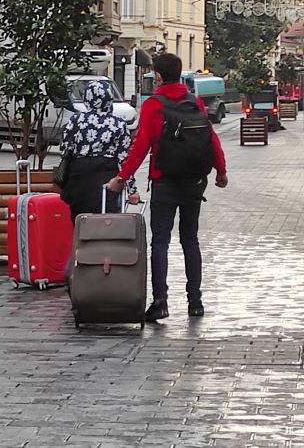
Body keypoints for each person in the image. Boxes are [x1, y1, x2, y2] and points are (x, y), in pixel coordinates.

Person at [107, 53, 228, 321]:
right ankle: (195, 302)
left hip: (164, 182)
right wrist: (221, 171)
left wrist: (121, 177)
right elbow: (211, 137)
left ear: (158, 76)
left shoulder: (154, 105)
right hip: (194, 183)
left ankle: (160, 302)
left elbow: (141, 146)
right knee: (190, 240)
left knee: (160, 241)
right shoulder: (193, 101)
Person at [58, 79, 139, 224]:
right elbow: (124, 158)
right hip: (107, 179)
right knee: (106, 223)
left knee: (80, 222)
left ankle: (81, 246)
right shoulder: (118, 124)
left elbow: (65, 148)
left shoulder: (75, 121)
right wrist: (132, 189)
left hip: (79, 178)